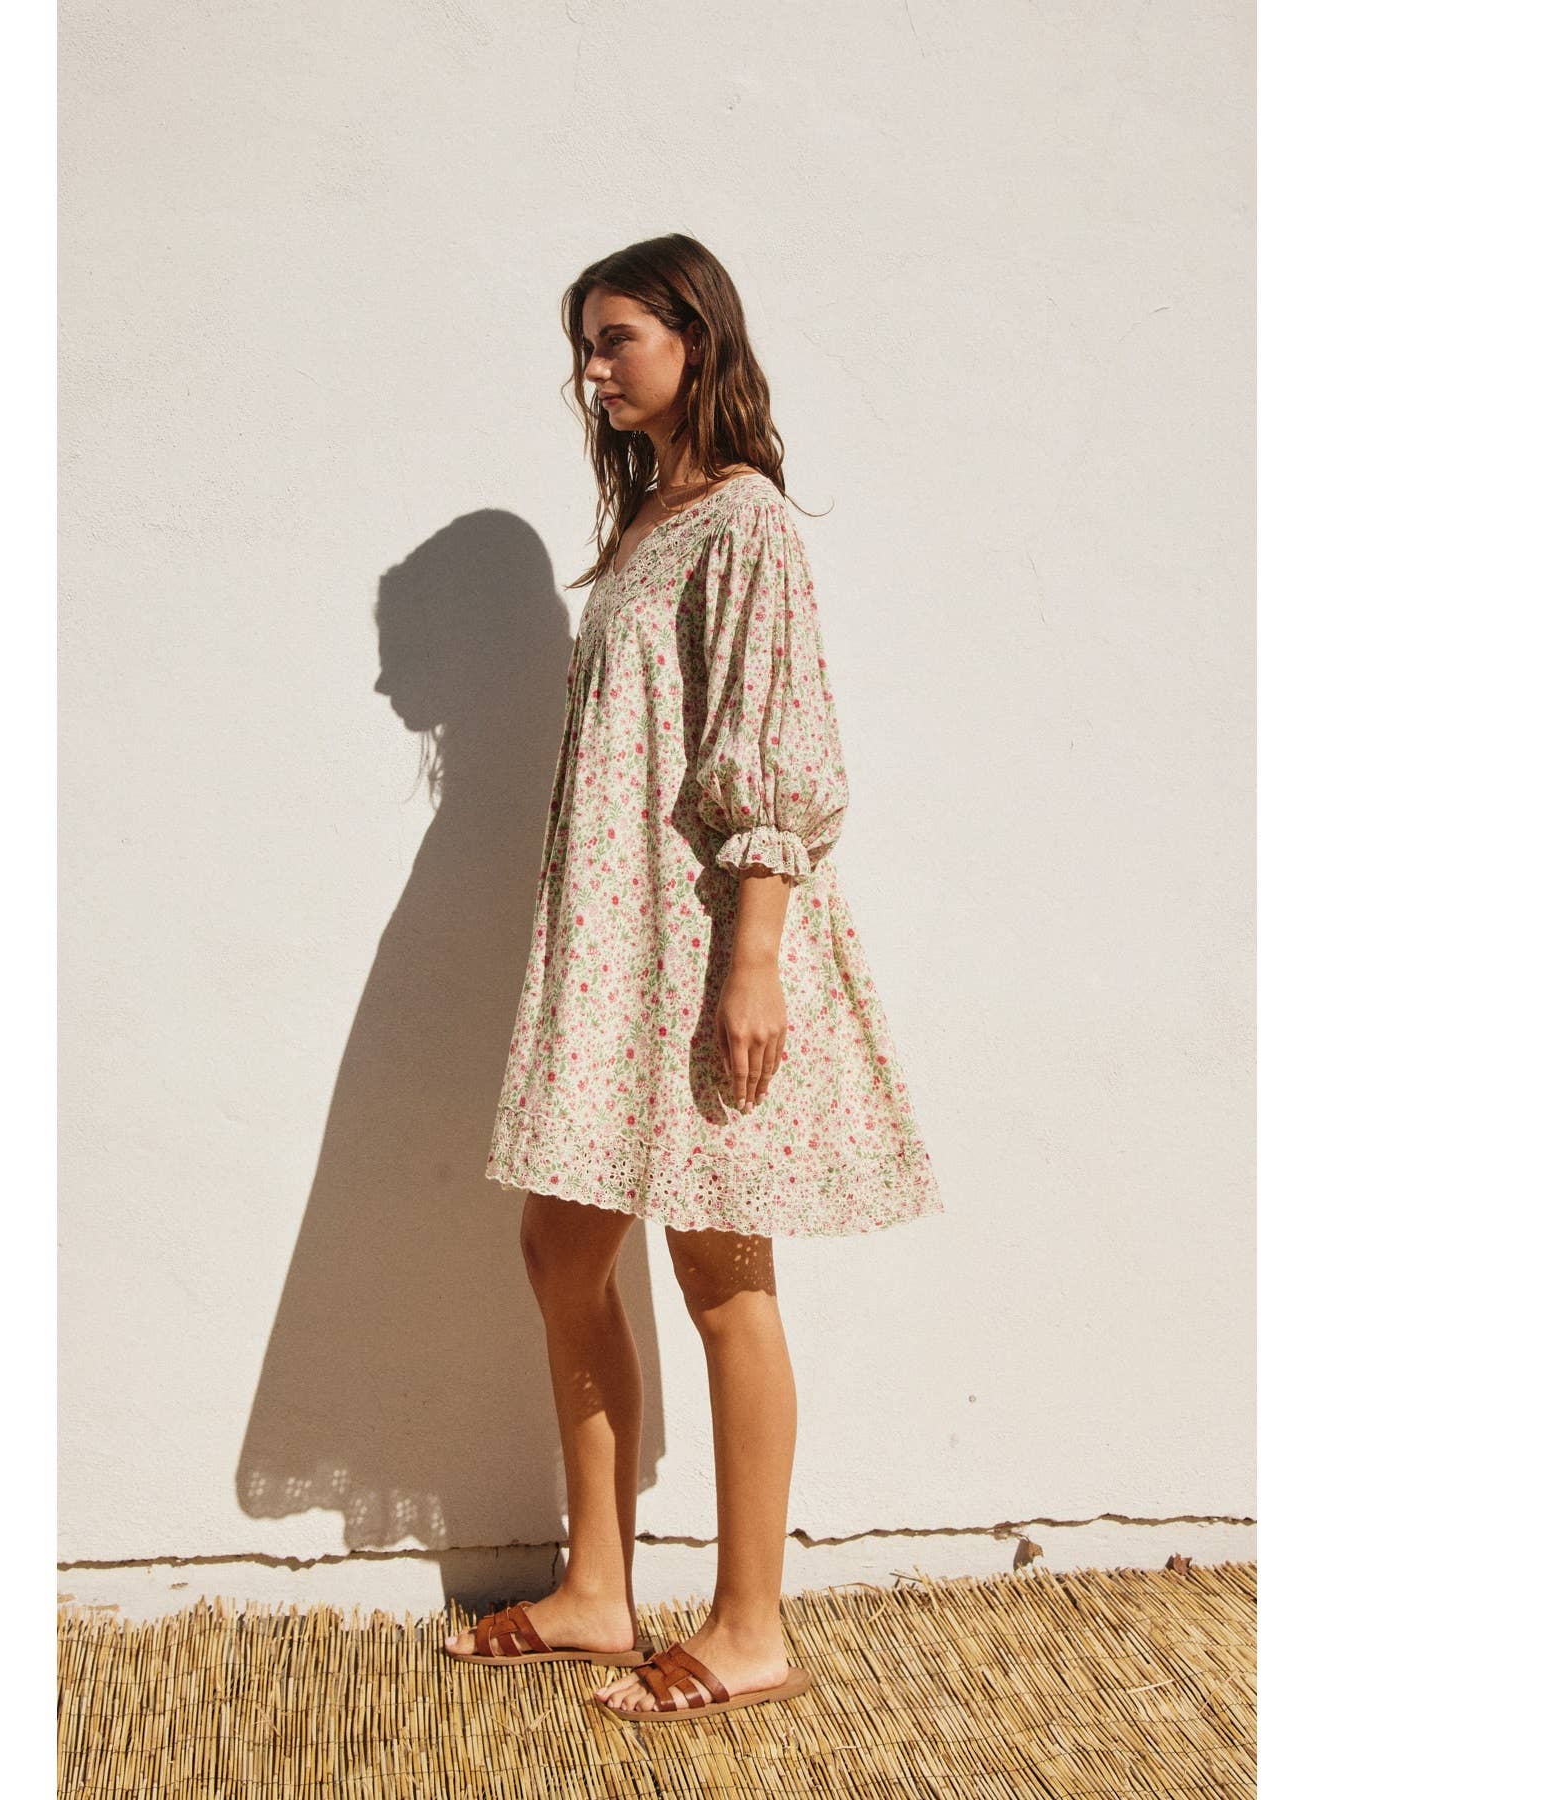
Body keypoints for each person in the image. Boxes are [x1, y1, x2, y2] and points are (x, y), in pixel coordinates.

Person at [443, 234, 943, 1721]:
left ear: (694, 338)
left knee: (722, 1269)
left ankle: (748, 1627)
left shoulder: (745, 521)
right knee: (562, 1246)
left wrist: (756, 960)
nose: (592, 370)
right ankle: (599, 1590)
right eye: (583, 345)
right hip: (617, 950)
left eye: (617, 339)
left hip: (706, 943)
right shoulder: (651, 521)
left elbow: (775, 746)